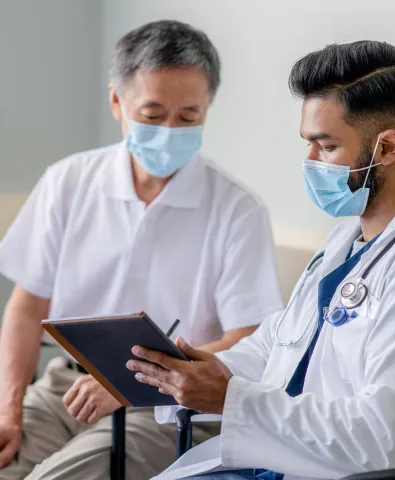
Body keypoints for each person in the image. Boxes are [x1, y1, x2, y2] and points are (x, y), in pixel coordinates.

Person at [127, 40, 395, 480]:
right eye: (308, 144)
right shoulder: (346, 241)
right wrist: (210, 371)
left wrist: (229, 399)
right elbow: (279, 345)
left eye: (326, 146)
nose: (310, 161)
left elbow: (389, 440)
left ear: (388, 148)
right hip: (279, 460)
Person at [0, 20, 284, 480]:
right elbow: (27, 307)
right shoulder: (68, 183)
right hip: (67, 386)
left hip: (168, 406)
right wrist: (8, 411)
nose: (171, 130)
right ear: (117, 101)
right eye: (153, 115)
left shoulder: (237, 209)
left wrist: (130, 381)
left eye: (189, 117)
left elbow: (249, 335)